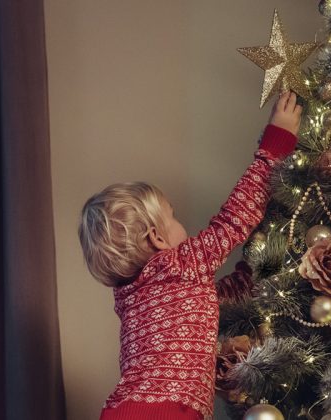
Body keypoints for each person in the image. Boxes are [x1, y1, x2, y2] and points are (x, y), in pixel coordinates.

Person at [78, 91, 302, 419]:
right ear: (157, 238)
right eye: (174, 216)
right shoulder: (177, 263)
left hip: (125, 409)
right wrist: (276, 143)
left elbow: (203, 302)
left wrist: (247, 273)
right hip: (165, 410)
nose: (182, 226)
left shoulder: (134, 295)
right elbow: (234, 219)